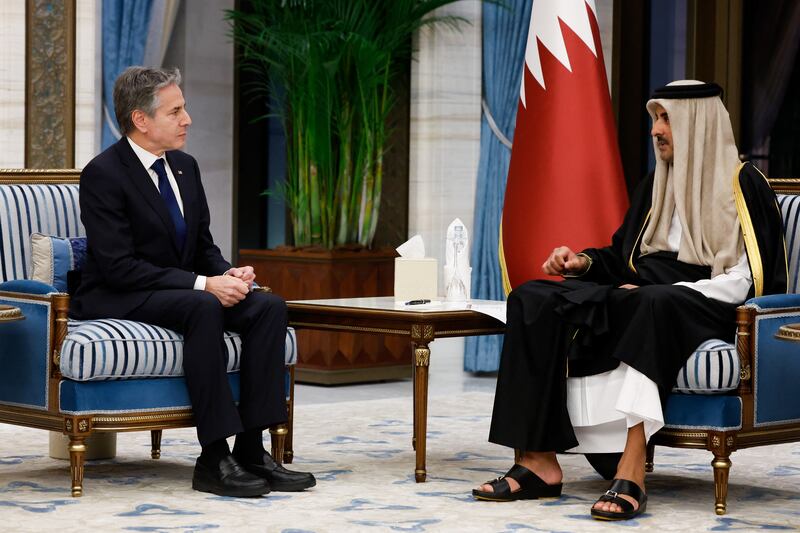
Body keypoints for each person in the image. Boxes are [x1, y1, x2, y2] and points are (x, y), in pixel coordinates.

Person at [472, 80, 786, 520]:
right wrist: (581, 263)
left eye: (666, 119)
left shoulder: (743, 184)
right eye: (654, 119)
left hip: (706, 300)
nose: (656, 130)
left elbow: (748, 277)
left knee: (650, 304)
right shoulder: (655, 186)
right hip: (641, 294)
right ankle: (536, 461)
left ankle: (632, 466)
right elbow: (625, 258)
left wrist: (667, 292)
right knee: (532, 297)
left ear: (697, 123)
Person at [71, 66, 316, 497]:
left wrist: (227, 273)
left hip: (177, 287)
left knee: (267, 306)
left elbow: (202, 245)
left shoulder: (185, 167)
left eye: (184, 109)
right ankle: (213, 457)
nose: (188, 119)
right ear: (140, 120)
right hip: (119, 293)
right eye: (176, 111)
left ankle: (252, 450)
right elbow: (118, 267)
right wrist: (205, 285)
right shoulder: (103, 174)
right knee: (203, 305)